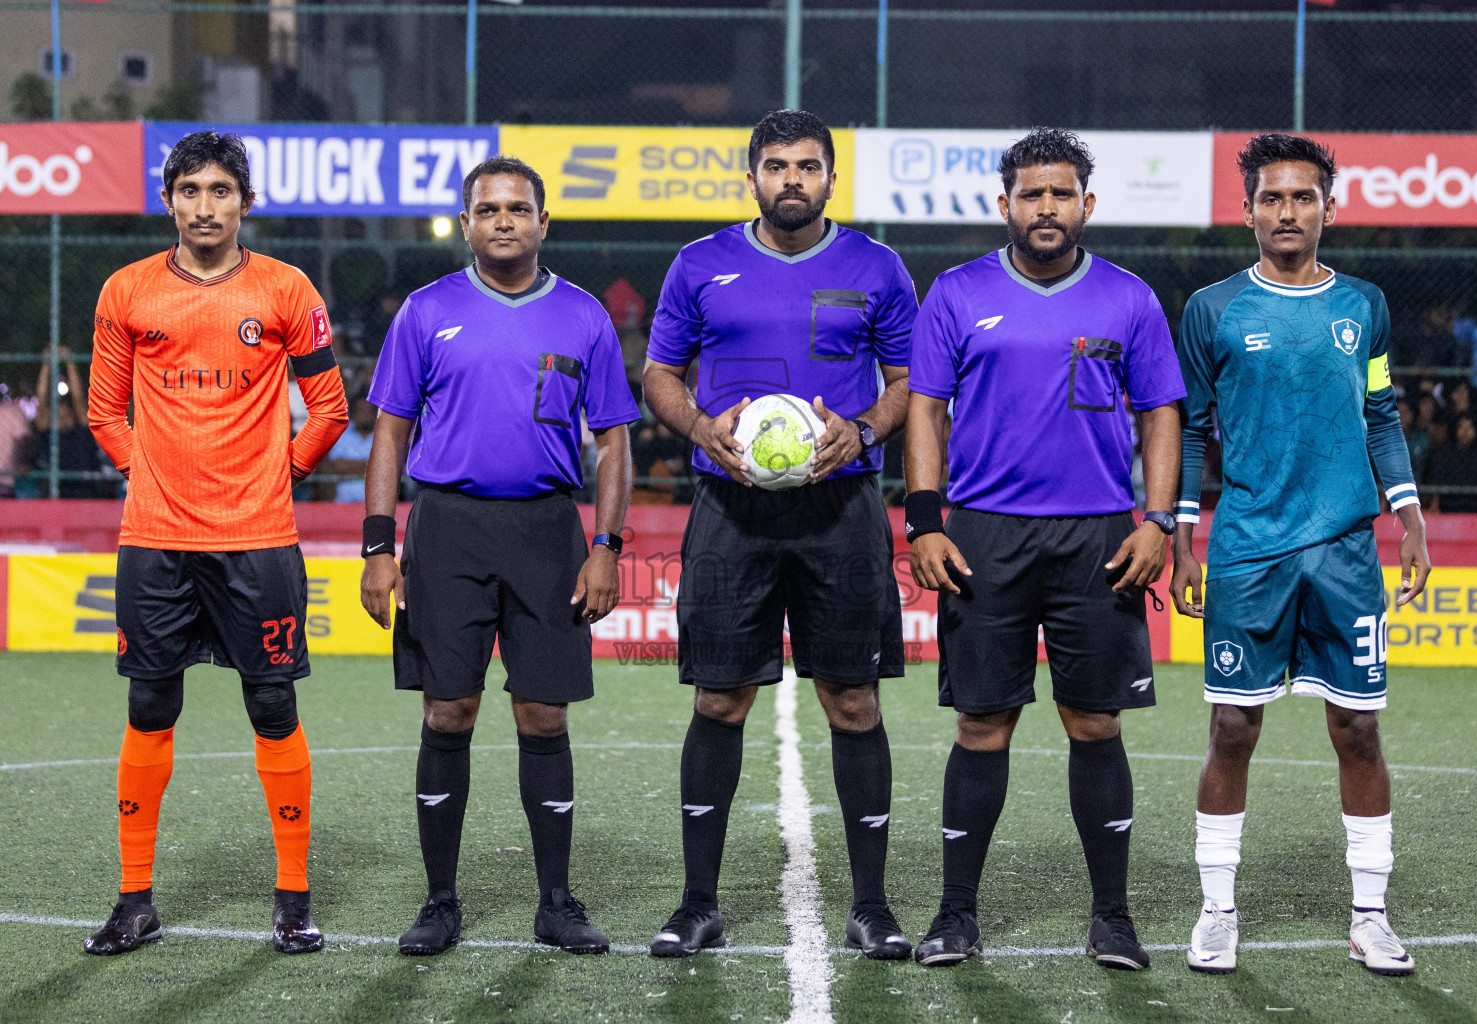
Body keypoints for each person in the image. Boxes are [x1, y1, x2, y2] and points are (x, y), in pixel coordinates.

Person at [903, 128, 1185, 971]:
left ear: (1086, 205)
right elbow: (925, 409)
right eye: (1032, 194)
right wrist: (923, 521)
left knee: (1092, 721)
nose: (1047, 207)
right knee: (982, 724)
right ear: (1006, 206)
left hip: (1100, 537)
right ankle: (955, 916)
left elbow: (1161, 411)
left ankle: (1113, 917)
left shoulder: (1129, 299)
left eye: (1062, 193)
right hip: (983, 533)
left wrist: (1158, 520)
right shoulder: (956, 292)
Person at [641, 109, 918, 960]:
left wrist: (866, 431)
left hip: (843, 509)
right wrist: (699, 429)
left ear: (830, 179)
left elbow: (910, 381)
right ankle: (697, 905)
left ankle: (870, 906)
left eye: (806, 166)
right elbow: (658, 374)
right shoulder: (700, 266)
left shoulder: (877, 267)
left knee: (854, 700)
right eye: (774, 165)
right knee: (720, 699)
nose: (790, 179)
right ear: (752, 176)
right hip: (732, 509)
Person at [361, 156, 638, 957]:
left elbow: (613, 442)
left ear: (544, 223)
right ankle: (440, 901)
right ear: (467, 223)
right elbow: (390, 432)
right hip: (445, 528)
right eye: (488, 210)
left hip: (549, 533)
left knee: (541, 713)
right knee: (448, 710)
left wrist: (606, 547)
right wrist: (380, 548)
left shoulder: (583, 316)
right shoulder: (424, 311)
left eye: (519, 208)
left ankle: (556, 901)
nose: (504, 221)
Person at [83, 130, 349, 955]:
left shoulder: (286, 288)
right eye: (189, 190)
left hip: (257, 540)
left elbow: (332, 409)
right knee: (150, 704)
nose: (205, 205)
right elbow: (103, 411)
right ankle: (135, 900)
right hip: (155, 541)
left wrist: (281, 475)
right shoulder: (126, 291)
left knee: (273, 706)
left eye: (220, 190)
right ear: (168, 201)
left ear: (245, 202)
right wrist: (148, 475)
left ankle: (293, 898)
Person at [1171, 134, 1430, 978]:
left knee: (1358, 730)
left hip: (1347, 551)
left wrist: (1411, 517)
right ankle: (1217, 912)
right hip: (1248, 550)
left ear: (1328, 206)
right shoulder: (1212, 308)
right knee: (1232, 725)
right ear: (1247, 211)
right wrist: (1182, 539)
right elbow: (1194, 432)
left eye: (1304, 197)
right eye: (1272, 199)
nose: (1288, 212)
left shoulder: (1365, 304)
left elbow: (1382, 414)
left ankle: (1370, 917)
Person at [30, 346, 114, 498]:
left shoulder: (81, 428)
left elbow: (77, 397)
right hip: (58, 491)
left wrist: (70, 362)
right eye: (58, 415)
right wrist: (46, 365)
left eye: (66, 414)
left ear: (73, 415)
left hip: (86, 488)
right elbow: (41, 402)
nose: (62, 418)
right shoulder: (49, 432)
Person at [1423, 414, 1477, 514]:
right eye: (1461, 427)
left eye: (1469, 427)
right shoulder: (1444, 455)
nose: (1465, 432)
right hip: (1449, 509)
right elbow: (1437, 486)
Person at [321, 394, 377, 502]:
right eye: (360, 411)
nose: (363, 416)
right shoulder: (341, 433)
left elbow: (386, 468)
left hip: (375, 502)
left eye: (367, 411)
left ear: (375, 414)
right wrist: (372, 466)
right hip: (344, 501)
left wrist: (351, 467)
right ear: (353, 413)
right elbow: (338, 467)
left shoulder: (382, 434)